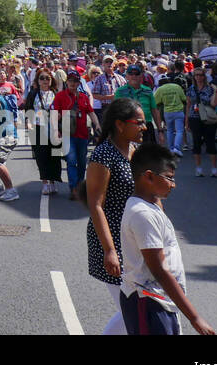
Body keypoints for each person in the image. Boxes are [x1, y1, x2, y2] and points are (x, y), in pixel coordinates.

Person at [120, 143, 214, 336]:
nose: (173, 184)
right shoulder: (143, 214)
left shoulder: (150, 204)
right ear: (148, 176)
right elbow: (160, 270)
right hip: (148, 302)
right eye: (169, 178)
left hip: (158, 299)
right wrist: (195, 318)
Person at [85, 97, 145, 336]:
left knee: (136, 308)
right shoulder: (103, 156)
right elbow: (96, 205)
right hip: (112, 240)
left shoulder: (135, 150)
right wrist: (110, 250)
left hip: (137, 239)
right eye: (139, 122)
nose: (144, 127)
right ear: (120, 125)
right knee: (133, 310)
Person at [54, 69, 98, 201]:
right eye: (70, 81)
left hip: (83, 134)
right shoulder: (60, 96)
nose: (73, 83)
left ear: (79, 83)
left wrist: (97, 125)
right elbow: (55, 114)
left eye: (75, 81)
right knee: (71, 161)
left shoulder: (83, 97)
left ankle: (79, 185)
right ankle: (74, 188)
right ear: (67, 82)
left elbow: (91, 112)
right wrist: (56, 129)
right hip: (68, 133)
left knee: (82, 162)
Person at [24, 67, 63, 195]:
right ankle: (45, 182)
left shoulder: (56, 93)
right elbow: (28, 109)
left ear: (51, 80)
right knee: (41, 156)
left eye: (48, 78)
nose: (45, 80)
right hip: (38, 127)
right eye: (42, 78)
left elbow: (62, 110)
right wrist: (28, 122)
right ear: (38, 80)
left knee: (54, 156)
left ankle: (53, 181)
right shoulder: (33, 94)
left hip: (53, 128)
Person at [185, 67, 217, 177]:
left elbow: (214, 104)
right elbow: (188, 105)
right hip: (194, 117)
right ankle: (198, 168)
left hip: (208, 117)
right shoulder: (190, 89)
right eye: (196, 75)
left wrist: (216, 91)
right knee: (196, 142)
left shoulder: (210, 89)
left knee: (210, 142)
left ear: (204, 76)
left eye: (201, 75)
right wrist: (186, 121)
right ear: (194, 77)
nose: (199, 77)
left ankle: (214, 169)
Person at [116, 65, 156, 144]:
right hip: (128, 127)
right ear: (126, 76)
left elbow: (154, 110)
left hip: (146, 126)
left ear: (141, 76)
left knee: (149, 154)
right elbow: (116, 111)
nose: (134, 76)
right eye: (131, 74)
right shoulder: (120, 91)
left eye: (136, 74)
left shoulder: (148, 90)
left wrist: (160, 130)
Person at [153, 69, 187, 156]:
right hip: (178, 110)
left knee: (170, 130)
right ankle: (177, 148)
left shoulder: (160, 89)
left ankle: (171, 148)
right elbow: (183, 98)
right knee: (179, 130)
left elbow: (155, 102)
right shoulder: (176, 86)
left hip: (167, 112)